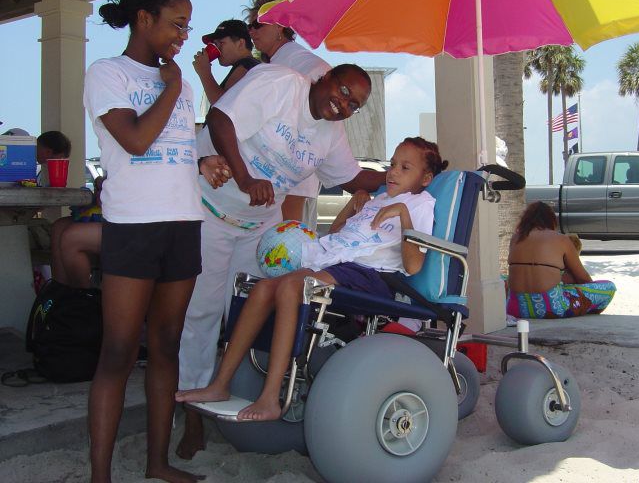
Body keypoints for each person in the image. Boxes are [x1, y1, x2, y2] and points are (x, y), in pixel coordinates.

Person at [176, 61, 386, 457]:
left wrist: (405, 175)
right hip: (210, 209)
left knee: (249, 312)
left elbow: (352, 179)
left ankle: (237, 391)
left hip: (259, 227)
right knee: (201, 313)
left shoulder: (330, 133)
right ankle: (192, 416)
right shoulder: (280, 84)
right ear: (325, 78)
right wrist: (243, 178)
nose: (344, 106)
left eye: (354, 105)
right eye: (343, 92)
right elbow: (221, 120)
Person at [176, 137, 446, 420]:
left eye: (405, 168)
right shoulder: (378, 199)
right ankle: (220, 384)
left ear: (425, 178)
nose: (392, 172)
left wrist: (402, 214)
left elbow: (414, 265)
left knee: (293, 287)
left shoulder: (420, 205)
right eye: (392, 164)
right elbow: (338, 234)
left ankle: (269, 398)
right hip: (339, 263)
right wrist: (355, 202)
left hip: (372, 276)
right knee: (263, 288)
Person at [83, 0, 229, 483]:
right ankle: (100, 474)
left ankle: (156, 464)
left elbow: (173, 145)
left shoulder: (181, 85)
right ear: (144, 19)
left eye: (187, 26)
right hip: (133, 226)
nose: (183, 36)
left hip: (183, 222)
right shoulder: (107, 72)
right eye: (176, 25)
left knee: (166, 343)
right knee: (119, 351)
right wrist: (171, 87)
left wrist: (202, 161)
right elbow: (138, 141)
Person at [245, 0, 331, 226]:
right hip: (271, 176)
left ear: (281, 25)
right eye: (249, 26)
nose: (251, 32)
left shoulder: (308, 65)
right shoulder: (278, 64)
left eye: (258, 24)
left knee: (284, 250)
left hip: (293, 178)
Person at [506, 201, 616, 319]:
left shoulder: (515, 238)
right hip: (551, 308)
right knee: (609, 287)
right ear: (551, 219)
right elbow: (583, 278)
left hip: (515, 308)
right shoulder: (561, 239)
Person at [192, 19, 259, 107]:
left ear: (240, 43)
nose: (217, 47)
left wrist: (204, 72)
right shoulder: (250, 64)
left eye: (221, 43)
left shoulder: (247, 64)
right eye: (215, 44)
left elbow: (223, 104)